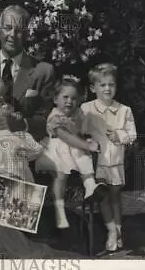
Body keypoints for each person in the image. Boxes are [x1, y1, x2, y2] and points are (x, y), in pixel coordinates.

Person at [0, 5, 56, 195]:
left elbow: (45, 119)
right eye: (7, 28)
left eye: (20, 30)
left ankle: (11, 216)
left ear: (27, 34)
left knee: (13, 153)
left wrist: (21, 123)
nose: (13, 34)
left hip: (19, 139)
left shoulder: (42, 71)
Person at [35, 75, 108, 229]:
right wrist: (85, 145)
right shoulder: (54, 117)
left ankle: (90, 186)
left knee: (84, 158)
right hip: (55, 151)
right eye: (65, 97)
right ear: (55, 99)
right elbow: (66, 137)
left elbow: (80, 132)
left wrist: (88, 140)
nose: (69, 101)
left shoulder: (77, 114)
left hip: (74, 150)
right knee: (61, 174)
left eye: (74, 98)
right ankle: (59, 211)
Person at [81, 63, 137, 252]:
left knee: (115, 197)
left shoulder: (124, 110)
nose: (107, 88)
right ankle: (112, 231)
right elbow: (80, 131)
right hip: (97, 163)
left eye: (111, 85)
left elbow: (132, 135)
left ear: (116, 87)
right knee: (104, 197)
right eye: (102, 85)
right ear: (93, 88)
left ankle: (118, 231)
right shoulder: (87, 108)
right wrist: (88, 140)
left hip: (116, 162)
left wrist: (120, 135)